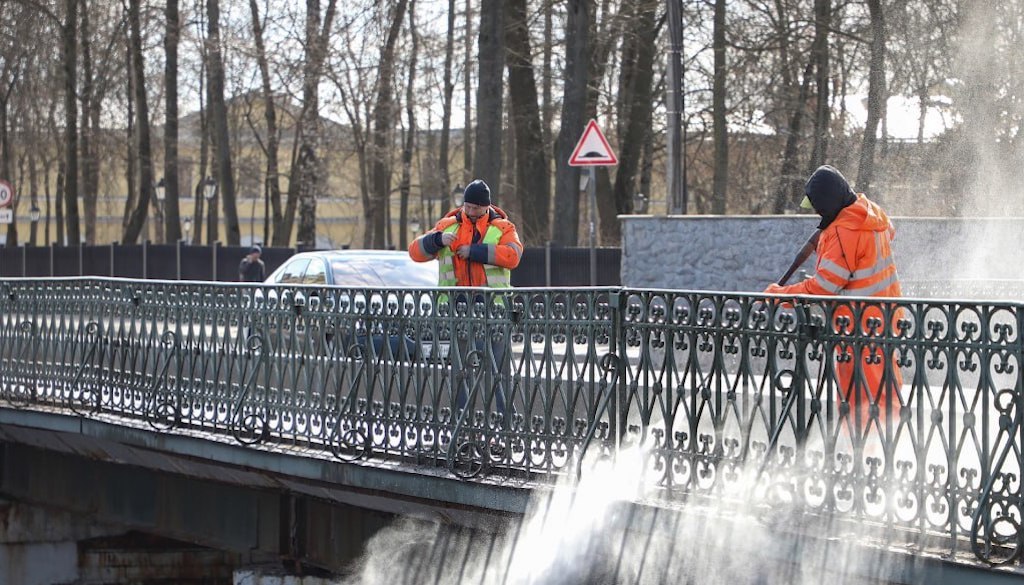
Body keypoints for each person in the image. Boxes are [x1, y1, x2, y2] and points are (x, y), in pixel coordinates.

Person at [764, 165, 902, 429]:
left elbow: (824, 288)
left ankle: (865, 459)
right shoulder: (871, 213)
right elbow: (888, 234)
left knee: (861, 399)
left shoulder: (842, 232)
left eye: (818, 208)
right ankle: (892, 452)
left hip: (857, 327)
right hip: (888, 317)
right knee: (886, 393)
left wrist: (780, 295)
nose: (817, 213)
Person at [409, 179, 524, 420]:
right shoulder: (447, 225)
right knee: (461, 370)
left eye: (475, 208)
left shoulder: (503, 228)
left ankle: (507, 422)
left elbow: (513, 256)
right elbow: (415, 252)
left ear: (486, 206)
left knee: (498, 369)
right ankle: (462, 424)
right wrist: (437, 241)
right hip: (457, 309)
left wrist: (476, 252)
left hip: (494, 308)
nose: (470, 211)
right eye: (467, 206)